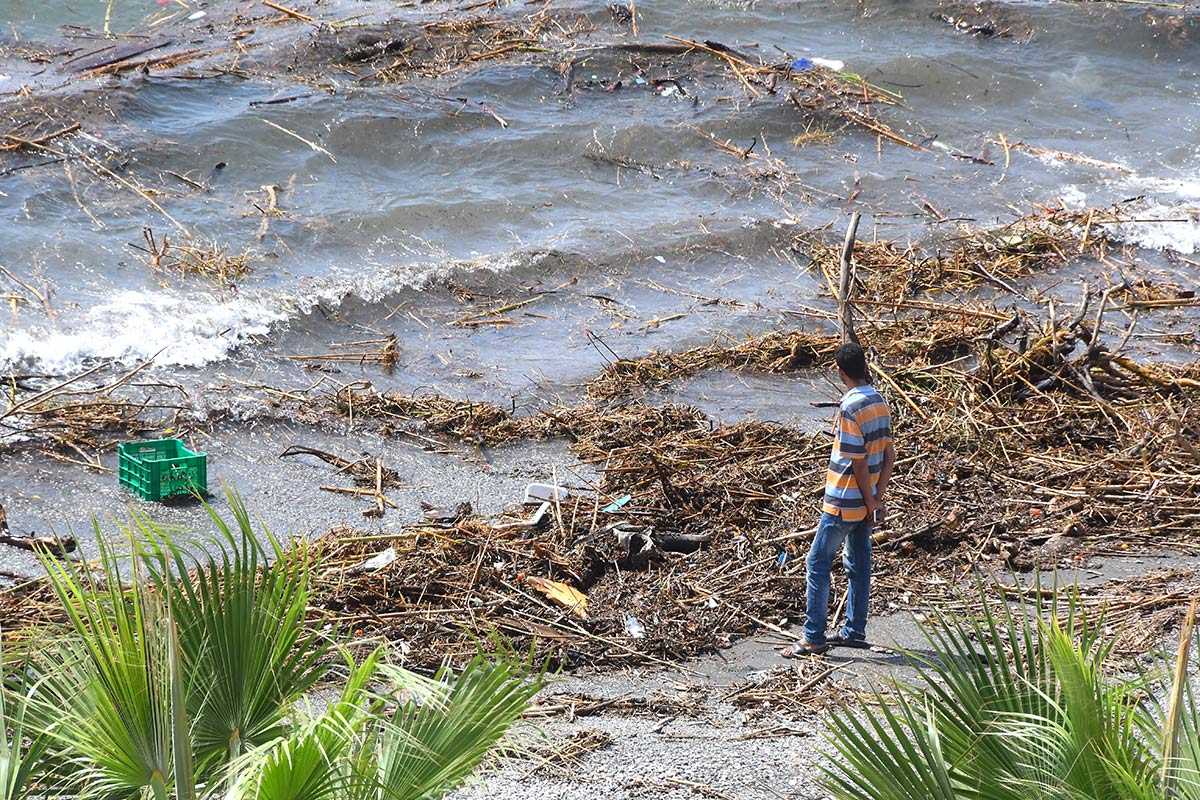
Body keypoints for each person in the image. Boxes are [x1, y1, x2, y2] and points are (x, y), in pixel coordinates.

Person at [783, 342, 894, 657]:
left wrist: (871, 500)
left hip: (844, 500)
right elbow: (889, 455)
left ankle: (813, 636)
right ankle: (854, 631)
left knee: (817, 562)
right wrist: (876, 498)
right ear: (865, 367)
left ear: (841, 372)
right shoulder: (880, 402)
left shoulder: (849, 407)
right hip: (866, 498)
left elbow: (857, 460)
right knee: (859, 564)